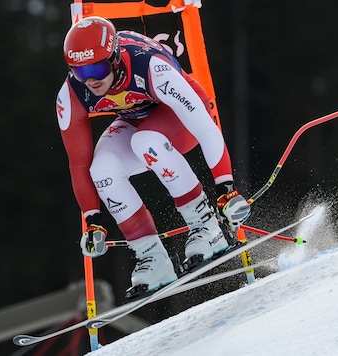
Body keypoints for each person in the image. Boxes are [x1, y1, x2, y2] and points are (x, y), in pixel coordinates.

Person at [56, 16, 250, 297]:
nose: (91, 81)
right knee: (102, 168)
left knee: (146, 142)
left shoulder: (150, 66)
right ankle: (152, 257)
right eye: (80, 72)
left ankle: (206, 226)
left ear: (114, 59)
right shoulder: (71, 93)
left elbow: (205, 128)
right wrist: (92, 219)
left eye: (97, 68)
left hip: (181, 118)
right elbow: (78, 163)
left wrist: (226, 188)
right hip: (138, 119)